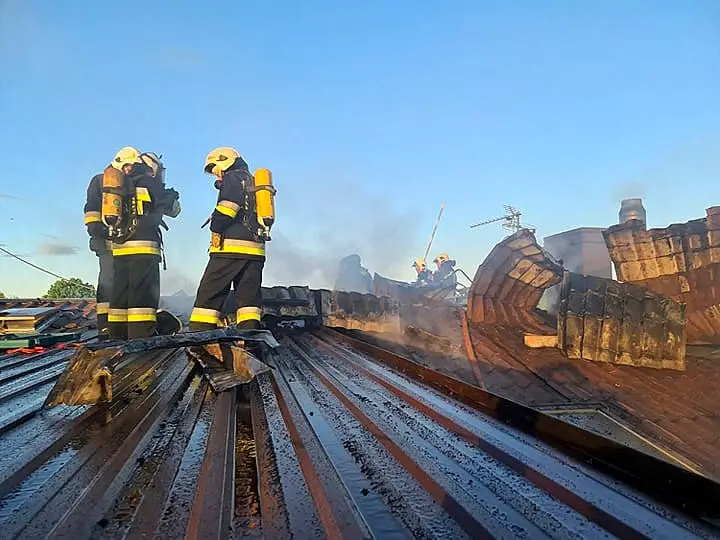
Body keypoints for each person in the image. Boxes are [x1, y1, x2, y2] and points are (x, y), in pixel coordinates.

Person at [189, 147, 266, 332]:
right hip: (255, 250)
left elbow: (228, 208)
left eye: (216, 168)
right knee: (248, 299)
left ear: (225, 161)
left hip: (231, 248)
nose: (216, 174)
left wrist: (215, 225)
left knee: (209, 293)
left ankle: (200, 336)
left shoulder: (233, 177)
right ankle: (250, 336)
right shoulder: (253, 181)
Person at [107, 147, 173, 339]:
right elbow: (173, 209)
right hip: (144, 249)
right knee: (142, 298)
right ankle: (141, 338)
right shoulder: (149, 182)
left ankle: (116, 338)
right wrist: (171, 196)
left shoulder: (119, 185)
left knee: (119, 295)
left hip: (119, 249)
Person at [83, 169, 113, 338]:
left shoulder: (132, 182)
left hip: (123, 245)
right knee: (108, 284)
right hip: (108, 244)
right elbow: (92, 212)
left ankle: (113, 327)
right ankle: (106, 326)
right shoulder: (101, 181)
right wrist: (96, 233)